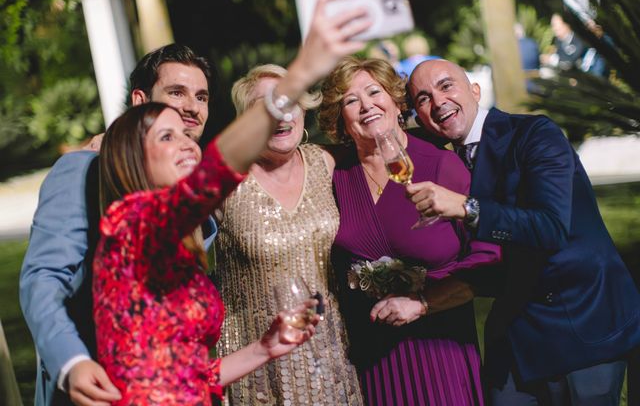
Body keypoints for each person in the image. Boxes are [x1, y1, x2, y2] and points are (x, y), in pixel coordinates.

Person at [93, 0, 369, 405]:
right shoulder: (132, 223)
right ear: (133, 151)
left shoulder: (173, 238)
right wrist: (299, 75)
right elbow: (219, 169)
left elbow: (183, 372)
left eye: (186, 132)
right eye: (167, 136)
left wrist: (264, 348)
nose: (187, 142)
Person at [406, 59, 640, 405]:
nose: (438, 102)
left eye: (446, 86)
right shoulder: (442, 157)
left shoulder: (534, 134)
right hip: (515, 327)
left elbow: (550, 228)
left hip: (578, 316)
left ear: (475, 90)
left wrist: (465, 208)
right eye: (422, 98)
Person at [20, 43, 218, 406]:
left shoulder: (194, 192)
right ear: (141, 100)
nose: (192, 107)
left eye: (201, 96)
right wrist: (72, 362)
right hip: (102, 388)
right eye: (177, 93)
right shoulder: (85, 168)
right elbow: (43, 280)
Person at [317, 57, 501, 405]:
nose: (366, 105)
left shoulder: (440, 164)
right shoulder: (334, 176)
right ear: (339, 118)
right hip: (372, 357)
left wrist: (422, 304)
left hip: (442, 350)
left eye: (374, 92)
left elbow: (487, 261)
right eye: (350, 100)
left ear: (396, 102)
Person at [214, 64, 363, 405]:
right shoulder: (226, 180)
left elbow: (380, 148)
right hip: (260, 373)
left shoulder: (326, 162)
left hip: (336, 362)